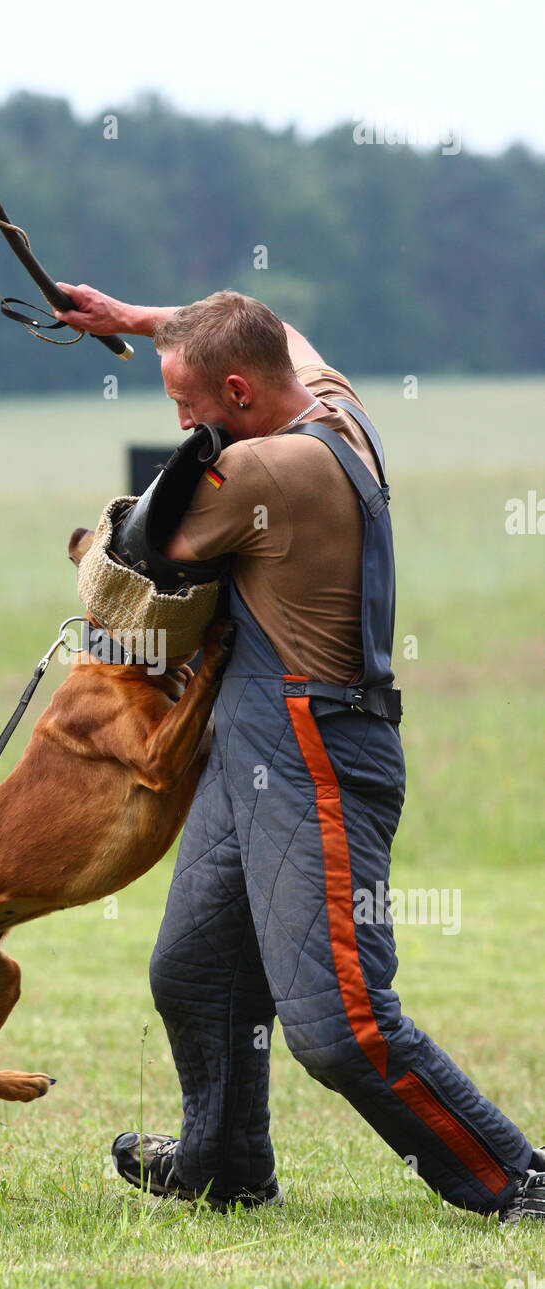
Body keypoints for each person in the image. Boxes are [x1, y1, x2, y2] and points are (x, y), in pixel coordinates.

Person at [56, 284, 544, 1225]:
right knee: (194, 970)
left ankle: (517, 1177)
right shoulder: (337, 408)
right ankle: (224, 1162)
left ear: (240, 394)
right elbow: (283, 334)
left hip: (316, 748)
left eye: (188, 409)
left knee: (342, 1025)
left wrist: (88, 548)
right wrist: (140, 321)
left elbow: (133, 564)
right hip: (252, 744)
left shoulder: (270, 474)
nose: (183, 427)